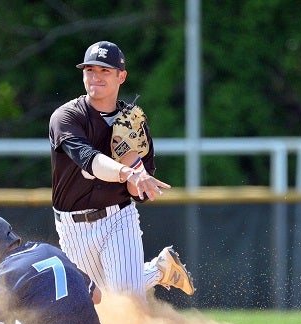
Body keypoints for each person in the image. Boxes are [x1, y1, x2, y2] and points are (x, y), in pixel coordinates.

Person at [49, 40, 195, 299]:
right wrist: (127, 172)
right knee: (95, 302)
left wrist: (133, 163)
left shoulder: (133, 123)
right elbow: (88, 159)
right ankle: (159, 270)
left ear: (122, 76)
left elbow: (138, 192)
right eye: (90, 70)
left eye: (105, 70)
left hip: (117, 219)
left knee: (127, 301)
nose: (96, 76)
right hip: (72, 227)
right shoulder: (66, 117)